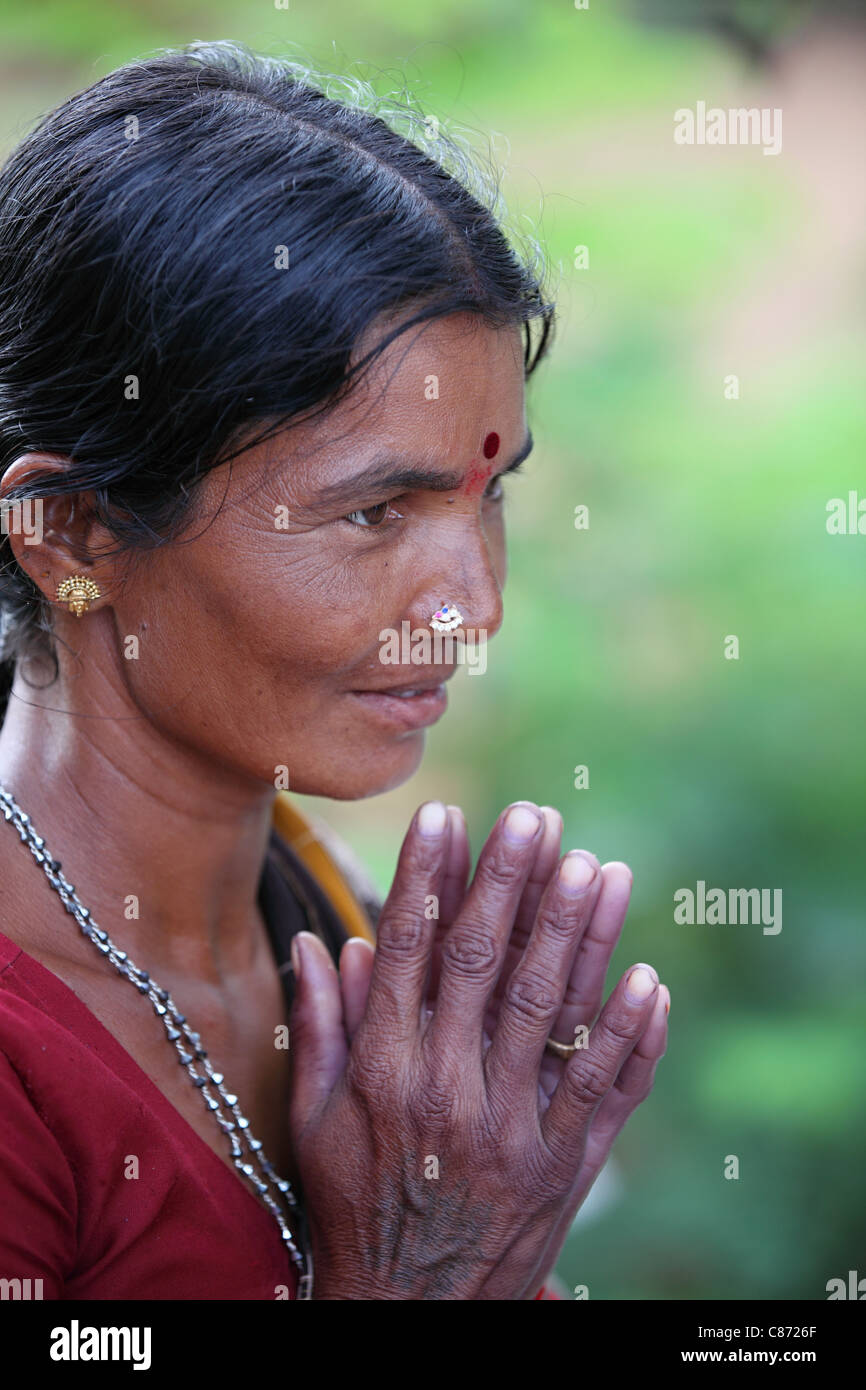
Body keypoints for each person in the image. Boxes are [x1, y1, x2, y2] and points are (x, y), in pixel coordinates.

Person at [0, 40, 668, 1301]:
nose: (474, 608)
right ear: (74, 535)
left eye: (489, 496)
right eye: (373, 514)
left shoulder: (333, 921)